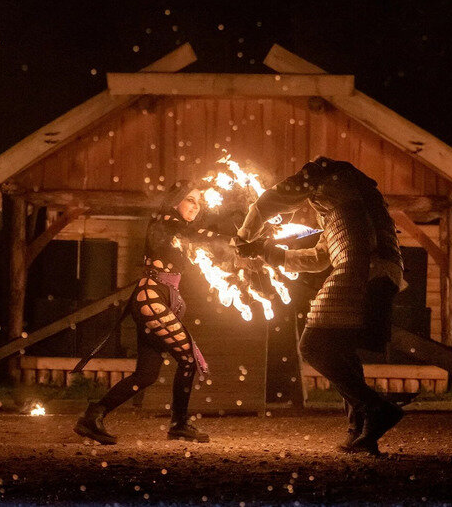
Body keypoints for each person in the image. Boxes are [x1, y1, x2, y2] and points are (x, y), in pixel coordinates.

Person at [236, 156, 404, 455]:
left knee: (312, 346)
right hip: (381, 270)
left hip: (363, 268)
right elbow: (318, 259)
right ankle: (359, 431)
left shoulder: (327, 177)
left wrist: (244, 237)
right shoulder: (348, 203)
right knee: (340, 350)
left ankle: (377, 409)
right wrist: (264, 250)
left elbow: (270, 202)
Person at [74, 181, 234, 445]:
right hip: (151, 298)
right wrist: (228, 237)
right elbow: (190, 235)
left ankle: (93, 416)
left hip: (158, 299)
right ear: (176, 201)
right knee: (188, 358)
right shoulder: (166, 222)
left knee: (146, 375)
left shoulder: (181, 228)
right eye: (190, 200)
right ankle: (179, 424)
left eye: (198, 202)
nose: (196, 206)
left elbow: (197, 240)